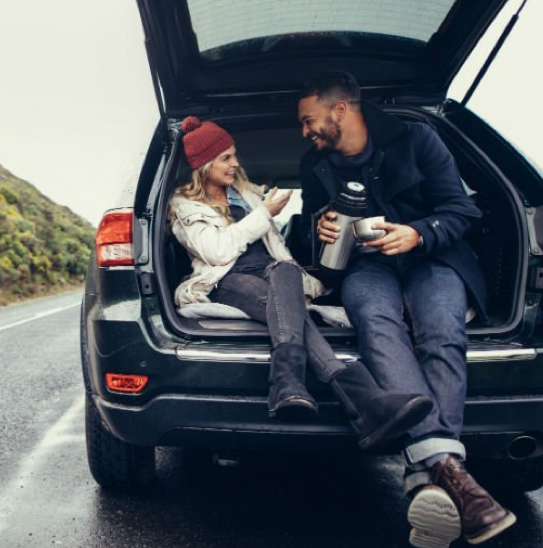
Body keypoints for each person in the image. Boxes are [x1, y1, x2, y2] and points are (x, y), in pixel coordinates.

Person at [296, 71, 515, 548]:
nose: (306, 132)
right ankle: (449, 474)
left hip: (433, 257)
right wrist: (321, 230)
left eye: (309, 120)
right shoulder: (313, 166)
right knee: (377, 325)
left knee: (441, 333)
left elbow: (461, 210)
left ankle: (428, 474)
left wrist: (418, 232)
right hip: (364, 268)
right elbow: (306, 238)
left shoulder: (417, 137)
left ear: (340, 109)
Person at [168, 115, 432, 451]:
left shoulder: (245, 194)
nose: (236, 163)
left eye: (235, 155)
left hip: (276, 275)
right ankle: (363, 402)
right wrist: (264, 213)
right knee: (295, 313)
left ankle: (289, 382)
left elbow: (278, 250)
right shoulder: (184, 205)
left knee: (286, 273)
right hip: (226, 280)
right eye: (226, 158)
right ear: (204, 165)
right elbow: (217, 253)